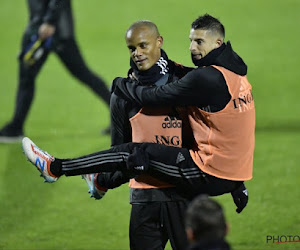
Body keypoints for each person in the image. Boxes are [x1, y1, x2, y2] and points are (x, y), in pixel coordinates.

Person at [22, 14, 253, 215]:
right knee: (137, 159)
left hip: (206, 173)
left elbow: (154, 97)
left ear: (218, 42)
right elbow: (232, 133)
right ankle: (99, 181)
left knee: (135, 152)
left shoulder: (204, 78)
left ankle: (55, 167)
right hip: (227, 174)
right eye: (191, 41)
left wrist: (120, 86)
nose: (192, 47)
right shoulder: (233, 74)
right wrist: (236, 183)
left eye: (199, 42)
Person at [74, 20, 193, 250]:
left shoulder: (183, 83)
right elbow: (118, 151)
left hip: (185, 197)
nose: (137, 53)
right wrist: (106, 177)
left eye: (143, 46)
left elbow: (206, 139)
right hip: (144, 200)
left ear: (159, 42)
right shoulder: (122, 96)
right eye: (131, 48)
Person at [0, 0, 111, 143]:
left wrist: (49, 21)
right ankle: (16, 126)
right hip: (39, 29)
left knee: (82, 73)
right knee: (27, 76)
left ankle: (120, 113)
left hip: (55, 31)